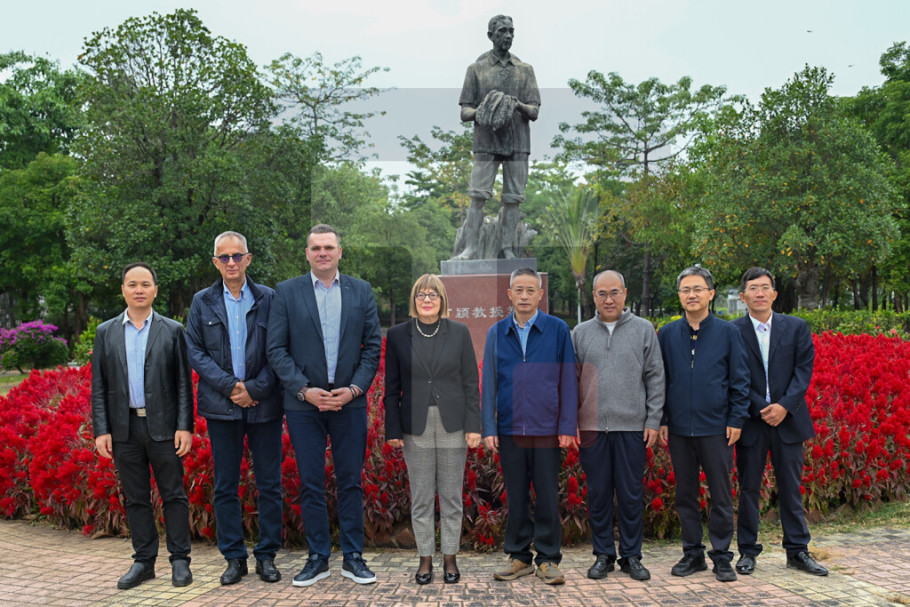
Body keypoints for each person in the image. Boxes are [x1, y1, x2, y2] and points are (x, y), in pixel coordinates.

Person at [267, 224, 382, 588]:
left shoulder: (361, 291)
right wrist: (304, 390)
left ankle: (353, 557)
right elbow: (276, 349)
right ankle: (318, 557)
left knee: (350, 482)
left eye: (328, 247)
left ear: (339, 252)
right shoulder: (287, 292)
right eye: (316, 247)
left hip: (349, 403)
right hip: (304, 406)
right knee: (311, 483)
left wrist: (354, 389)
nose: (322, 253)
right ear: (307, 253)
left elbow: (372, 347)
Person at [185, 231, 283, 585]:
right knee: (226, 485)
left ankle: (267, 556)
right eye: (224, 257)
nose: (231, 262)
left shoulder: (269, 298)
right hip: (221, 407)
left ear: (248, 259)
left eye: (237, 256)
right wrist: (231, 387)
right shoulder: (202, 301)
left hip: (264, 404)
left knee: (269, 484)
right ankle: (234, 558)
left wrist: (255, 389)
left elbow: (280, 349)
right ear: (215, 262)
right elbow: (195, 351)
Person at [91, 262, 194, 589]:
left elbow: (183, 383)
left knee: (173, 495)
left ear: (155, 290)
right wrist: (101, 430)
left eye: (145, 284)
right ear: (123, 289)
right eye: (132, 284)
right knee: (135, 498)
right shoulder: (106, 332)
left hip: (164, 428)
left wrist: (184, 426)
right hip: (124, 430)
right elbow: (99, 385)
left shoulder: (172, 330)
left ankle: (180, 560)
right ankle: (144, 562)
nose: (139, 290)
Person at [482, 267, 578, 585]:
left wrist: (567, 425)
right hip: (510, 429)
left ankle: (548, 559)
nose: (524, 296)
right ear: (509, 294)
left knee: (548, 495)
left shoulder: (557, 330)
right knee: (516, 495)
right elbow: (489, 383)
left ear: (540, 294)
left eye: (530, 290)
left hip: (547, 429)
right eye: (519, 290)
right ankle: (519, 557)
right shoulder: (497, 332)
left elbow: (568, 380)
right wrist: (489, 427)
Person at [384, 274, 481, 585]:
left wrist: (473, 425)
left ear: (442, 300)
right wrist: (393, 429)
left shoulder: (459, 332)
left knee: (451, 496)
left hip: (453, 424)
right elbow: (391, 388)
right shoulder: (398, 335)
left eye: (433, 295)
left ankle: (450, 558)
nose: (427, 300)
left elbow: (470, 382)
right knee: (422, 497)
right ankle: (425, 559)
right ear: (414, 300)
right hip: (416, 426)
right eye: (421, 295)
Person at [733, 267, 828, 576]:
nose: (759, 293)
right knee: (749, 488)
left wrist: (784, 406)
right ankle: (747, 551)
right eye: (753, 288)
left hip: (789, 420)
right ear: (743, 296)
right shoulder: (732, 331)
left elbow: (803, 371)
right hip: (752, 421)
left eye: (765, 287)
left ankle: (797, 551)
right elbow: (733, 375)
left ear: (774, 294)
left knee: (791, 488)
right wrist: (763, 407)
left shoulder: (796, 327)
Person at [657, 265, 749, 583]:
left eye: (698, 289)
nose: (691, 295)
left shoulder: (728, 333)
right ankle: (692, 553)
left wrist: (736, 418)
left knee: (721, 496)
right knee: (685, 495)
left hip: (717, 428)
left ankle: (721, 556)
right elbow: (660, 380)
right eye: (686, 290)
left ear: (711, 293)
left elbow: (740, 380)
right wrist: (663, 418)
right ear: (679, 295)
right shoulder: (667, 334)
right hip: (679, 429)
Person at [572, 270, 665, 582]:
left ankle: (631, 556)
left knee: (630, 494)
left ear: (625, 294)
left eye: (614, 293)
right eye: (602, 294)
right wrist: (573, 421)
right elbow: (570, 381)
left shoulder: (643, 330)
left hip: (632, 427)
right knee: (598, 494)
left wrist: (653, 419)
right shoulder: (580, 333)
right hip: (592, 429)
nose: (608, 299)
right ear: (593, 297)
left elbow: (655, 376)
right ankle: (603, 555)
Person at [454, 14, 540, 260]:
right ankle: (470, 248)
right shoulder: (476, 69)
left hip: (518, 142)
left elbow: (534, 111)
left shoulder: (525, 70)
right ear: (490, 35)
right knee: (477, 195)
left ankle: (507, 248)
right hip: (486, 141)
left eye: (511, 31)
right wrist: (482, 111)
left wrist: (515, 104)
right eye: (502, 31)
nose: (508, 36)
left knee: (513, 198)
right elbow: (465, 112)